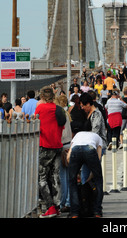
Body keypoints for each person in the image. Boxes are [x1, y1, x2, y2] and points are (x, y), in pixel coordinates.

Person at [34, 86, 65, 218]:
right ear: (53, 96)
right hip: (57, 146)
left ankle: (50, 206)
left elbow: (36, 123)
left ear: (42, 97)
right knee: (55, 176)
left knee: (41, 178)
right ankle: (57, 206)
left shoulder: (40, 108)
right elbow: (62, 125)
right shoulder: (59, 109)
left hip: (45, 146)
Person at [67, 130, 104, 218]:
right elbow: (98, 159)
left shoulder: (77, 135)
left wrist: (75, 173)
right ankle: (97, 211)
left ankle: (75, 213)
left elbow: (68, 157)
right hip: (90, 149)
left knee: (72, 183)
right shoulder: (98, 137)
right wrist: (91, 177)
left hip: (76, 150)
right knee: (99, 181)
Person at [56, 94, 72, 214]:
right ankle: (68, 201)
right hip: (69, 145)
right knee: (67, 175)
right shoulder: (67, 115)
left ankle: (62, 203)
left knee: (62, 177)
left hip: (62, 146)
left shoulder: (59, 116)